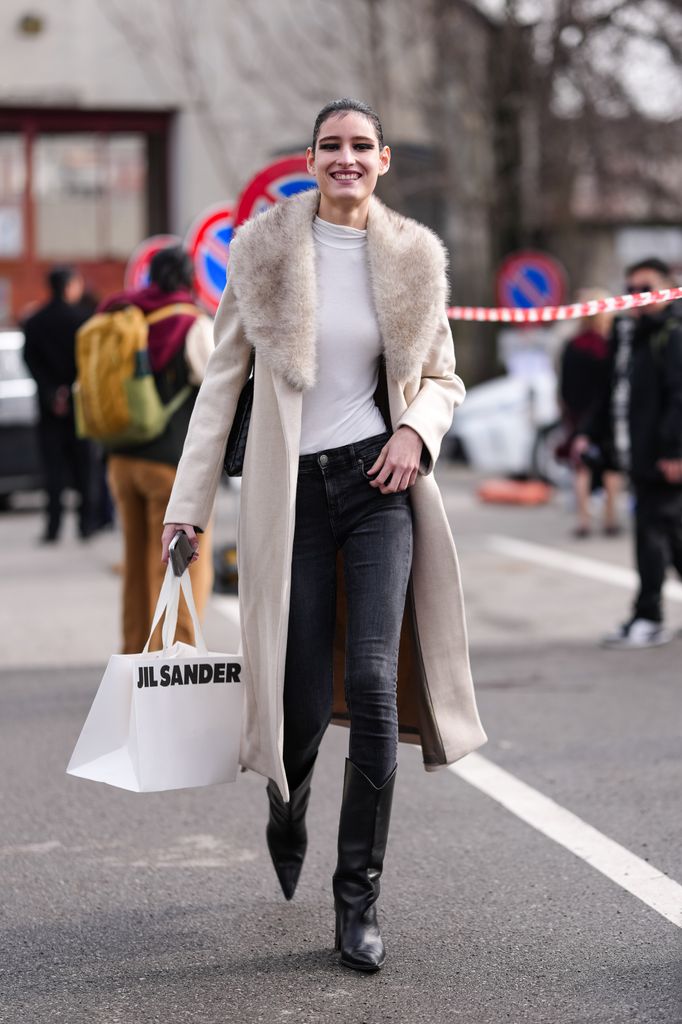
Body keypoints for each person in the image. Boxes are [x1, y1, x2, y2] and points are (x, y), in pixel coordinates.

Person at [162, 98, 487, 972]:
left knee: (374, 684)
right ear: (311, 160)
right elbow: (219, 388)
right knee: (301, 701)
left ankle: (358, 899)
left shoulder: (416, 259)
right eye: (330, 146)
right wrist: (185, 509)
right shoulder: (264, 255)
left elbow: (444, 378)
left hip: (381, 489)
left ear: (383, 161)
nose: (346, 158)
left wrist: (416, 430)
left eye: (361, 147)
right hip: (291, 498)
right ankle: (287, 802)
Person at [102, 246, 214, 654]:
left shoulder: (122, 315)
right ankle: (174, 658)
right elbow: (214, 382)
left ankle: (133, 654)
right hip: (170, 466)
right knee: (177, 566)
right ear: (188, 278)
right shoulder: (189, 322)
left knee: (134, 563)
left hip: (120, 458)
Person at [574, 257, 682, 648]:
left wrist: (674, 449)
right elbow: (610, 392)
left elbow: (679, 393)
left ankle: (648, 616)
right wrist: (587, 434)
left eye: (645, 288)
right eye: (630, 289)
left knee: (652, 535)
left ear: (667, 289)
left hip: (660, 455)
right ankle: (646, 613)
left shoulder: (672, 332)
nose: (636, 297)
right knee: (668, 534)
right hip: (635, 453)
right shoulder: (630, 334)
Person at [23, 266, 96, 542]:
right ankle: (86, 524)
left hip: (48, 406)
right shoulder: (84, 319)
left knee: (52, 469)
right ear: (68, 287)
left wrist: (52, 393)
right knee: (83, 468)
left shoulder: (35, 322)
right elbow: (89, 361)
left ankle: (53, 528)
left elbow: (30, 360)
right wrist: (71, 390)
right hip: (80, 405)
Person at [557, 290, 621, 538]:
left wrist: (568, 409)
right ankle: (610, 518)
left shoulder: (572, 346)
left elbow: (564, 384)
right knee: (610, 464)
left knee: (581, 465)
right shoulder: (609, 345)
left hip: (577, 411)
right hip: (606, 411)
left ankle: (583, 520)